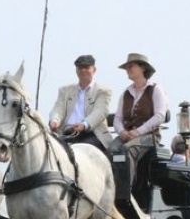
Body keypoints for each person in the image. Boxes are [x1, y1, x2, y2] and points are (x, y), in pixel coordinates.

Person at [109, 53, 169, 207]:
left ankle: (124, 194)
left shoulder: (156, 89)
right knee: (112, 150)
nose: (128, 69)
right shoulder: (126, 93)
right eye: (127, 67)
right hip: (127, 134)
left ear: (142, 68)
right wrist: (122, 131)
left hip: (149, 136)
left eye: (131, 66)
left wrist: (138, 132)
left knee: (127, 150)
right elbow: (117, 118)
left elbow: (160, 116)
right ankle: (109, 189)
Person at [48, 54, 114, 153]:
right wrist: (54, 120)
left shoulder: (103, 91)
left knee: (82, 151)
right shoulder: (65, 90)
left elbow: (100, 111)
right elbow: (58, 108)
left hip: (92, 134)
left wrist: (84, 125)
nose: (83, 70)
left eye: (86, 67)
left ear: (94, 69)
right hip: (66, 133)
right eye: (80, 68)